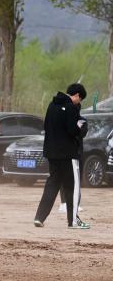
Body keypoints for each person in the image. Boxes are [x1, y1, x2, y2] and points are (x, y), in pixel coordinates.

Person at [34, 83, 89, 229]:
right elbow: (72, 131)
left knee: (52, 185)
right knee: (72, 187)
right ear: (77, 95)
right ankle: (73, 221)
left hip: (52, 153)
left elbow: (46, 126)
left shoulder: (52, 105)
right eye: (80, 99)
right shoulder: (71, 107)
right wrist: (82, 127)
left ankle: (39, 217)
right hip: (68, 154)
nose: (79, 102)